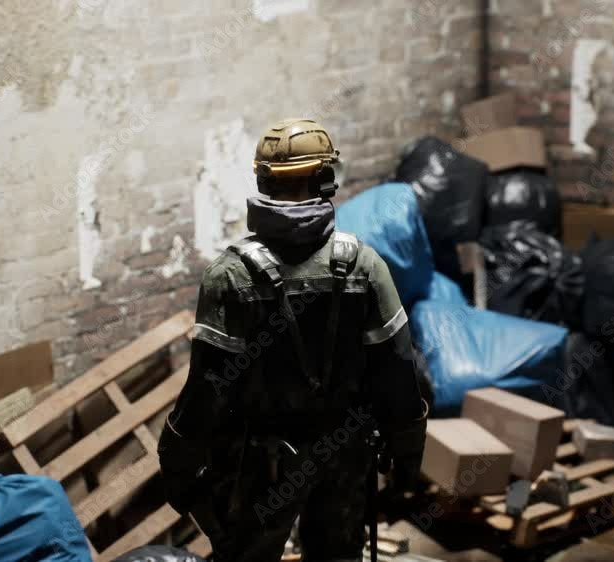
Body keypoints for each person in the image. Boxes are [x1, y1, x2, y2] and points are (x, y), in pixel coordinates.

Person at [159, 118, 428, 562]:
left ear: (262, 181)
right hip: (345, 457)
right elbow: (398, 371)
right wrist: (408, 451)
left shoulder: (229, 276)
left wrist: (178, 460)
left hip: (257, 466)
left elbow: (207, 389)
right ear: (325, 179)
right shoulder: (365, 266)